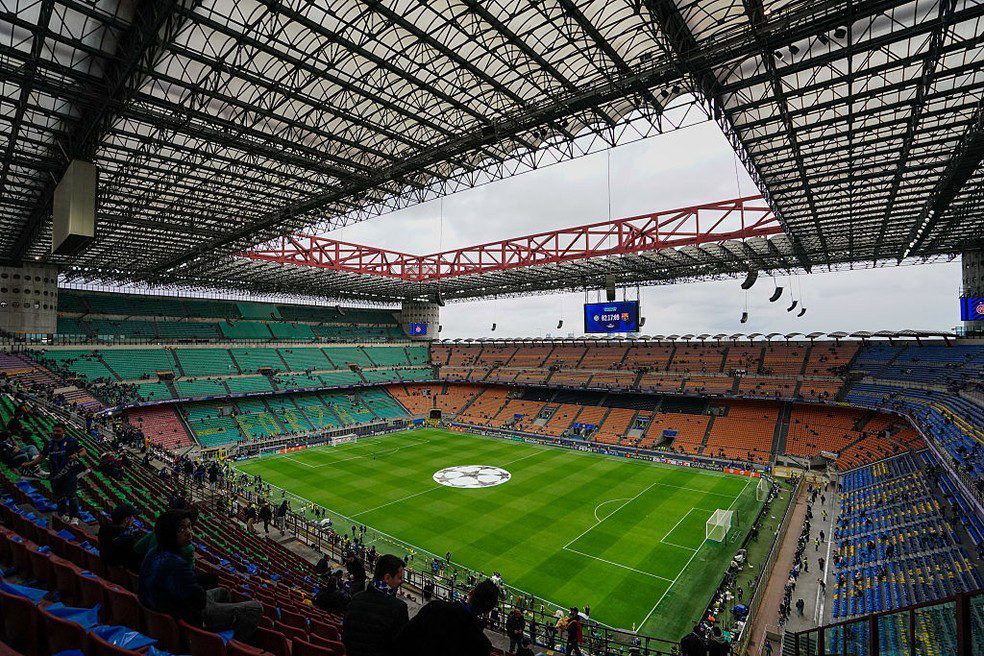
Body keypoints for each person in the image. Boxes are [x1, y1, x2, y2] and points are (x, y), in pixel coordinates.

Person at [139, 510, 262, 640]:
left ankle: (226, 621)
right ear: (169, 534)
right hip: (190, 615)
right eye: (181, 529)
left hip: (173, 606)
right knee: (255, 608)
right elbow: (199, 601)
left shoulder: (153, 553)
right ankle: (236, 644)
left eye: (189, 526)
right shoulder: (177, 564)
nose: (188, 532)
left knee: (223, 592)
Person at [397, 578, 500, 656]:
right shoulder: (483, 646)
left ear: (471, 593)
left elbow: (404, 637)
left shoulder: (435, 608)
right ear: (489, 610)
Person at [342, 554, 409, 656]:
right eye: (399, 577)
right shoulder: (399, 608)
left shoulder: (356, 598)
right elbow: (402, 646)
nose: (401, 581)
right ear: (387, 578)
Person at [26, 423, 86, 523]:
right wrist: (29, 464)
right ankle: (62, 514)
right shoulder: (49, 444)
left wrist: (78, 455)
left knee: (71, 495)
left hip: (69, 473)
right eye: (54, 431)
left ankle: (75, 516)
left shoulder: (72, 441)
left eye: (58, 431)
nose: (55, 433)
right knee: (59, 495)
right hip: (55, 474)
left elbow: (83, 451)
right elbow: (41, 457)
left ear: (64, 431)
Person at [98, 503, 141, 571]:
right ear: (126, 519)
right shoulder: (128, 540)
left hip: (108, 567)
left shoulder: (104, 530)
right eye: (133, 516)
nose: (134, 519)